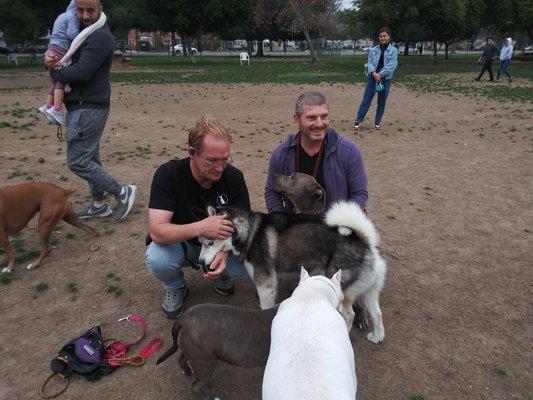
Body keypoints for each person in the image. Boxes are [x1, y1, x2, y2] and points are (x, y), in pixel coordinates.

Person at [145, 118, 251, 318]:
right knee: (157, 257)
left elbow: (244, 227)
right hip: (182, 245)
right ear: (192, 152)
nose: (220, 168)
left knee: (255, 256)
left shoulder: (234, 177)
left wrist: (225, 252)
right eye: (212, 160)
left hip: (220, 245)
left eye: (225, 159)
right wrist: (202, 227)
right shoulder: (169, 175)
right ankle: (175, 286)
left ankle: (223, 273)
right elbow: (157, 230)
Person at [43, 0, 136, 222]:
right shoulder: (79, 34)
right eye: (80, 10)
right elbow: (61, 58)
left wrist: (54, 73)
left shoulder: (100, 37)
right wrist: (49, 61)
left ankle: (123, 192)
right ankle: (98, 204)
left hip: (89, 107)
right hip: (81, 105)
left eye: (90, 10)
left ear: (100, 9)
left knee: (78, 161)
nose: (85, 15)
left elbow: (82, 72)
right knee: (90, 158)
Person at [265, 91, 368, 213]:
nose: (319, 124)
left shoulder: (349, 151)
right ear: (297, 120)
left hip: (337, 225)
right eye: (311, 118)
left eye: (324, 116)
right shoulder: (281, 153)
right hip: (295, 226)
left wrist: (338, 222)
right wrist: (280, 221)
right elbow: (272, 191)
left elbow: (359, 194)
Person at [38, 1, 79, 126]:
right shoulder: (72, 16)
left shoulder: (61, 15)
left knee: (55, 80)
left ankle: (48, 105)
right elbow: (71, 34)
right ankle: (57, 109)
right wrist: (81, 36)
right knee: (61, 77)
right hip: (62, 49)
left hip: (52, 47)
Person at [353, 27, 398, 131]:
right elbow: (370, 63)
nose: (382, 38)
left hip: (385, 79)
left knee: (381, 102)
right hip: (372, 78)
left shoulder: (393, 51)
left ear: (389, 37)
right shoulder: (374, 50)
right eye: (381, 36)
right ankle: (358, 121)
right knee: (366, 100)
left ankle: (377, 122)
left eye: (385, 36)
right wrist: (373, 73)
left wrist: (380, 74)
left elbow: (392, 65)